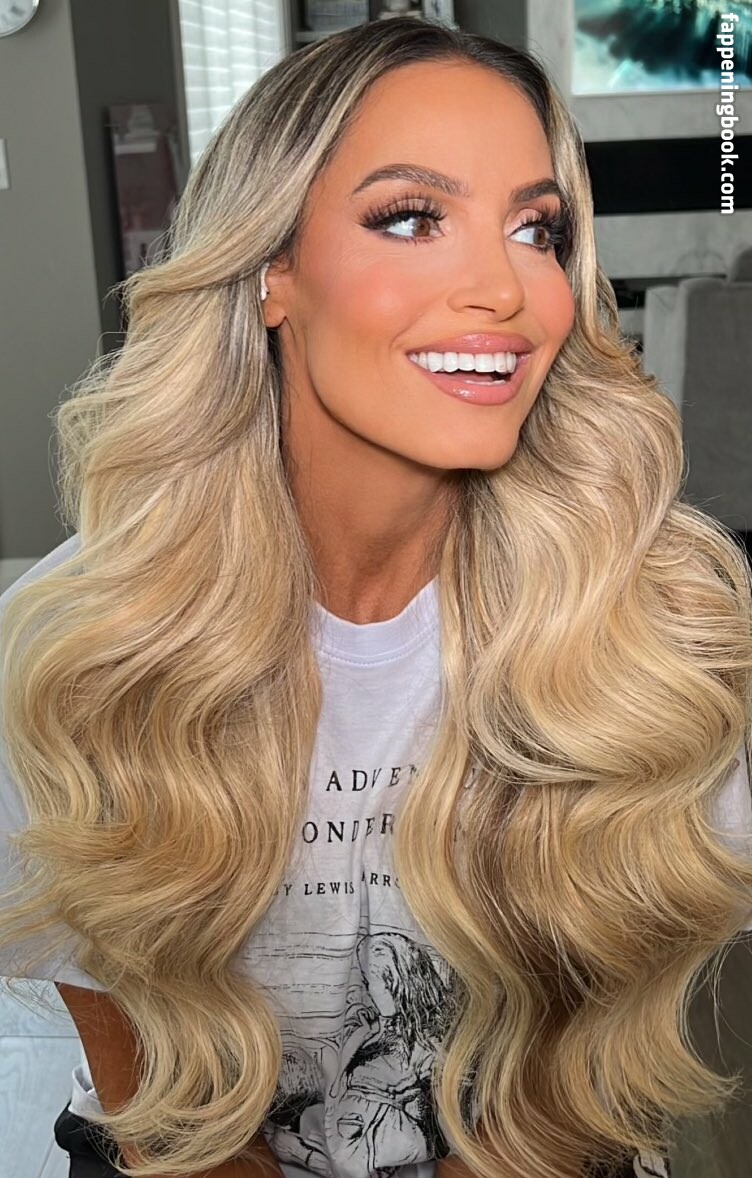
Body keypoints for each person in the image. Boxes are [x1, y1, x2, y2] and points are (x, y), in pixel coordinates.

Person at [1, 15, 751, 1178]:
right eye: (410, 216)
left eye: (536, 229)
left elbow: (569, 1072)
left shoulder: (645, 628)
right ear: (272, 272)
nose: (502, 287)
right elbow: (151, 1092)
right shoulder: (86, 645)